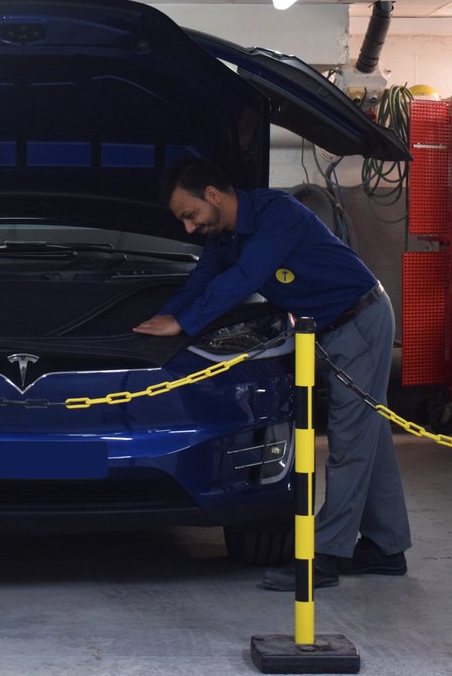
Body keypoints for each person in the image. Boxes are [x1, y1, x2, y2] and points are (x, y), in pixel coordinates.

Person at [133, 156, 410, 590]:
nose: (189, 228)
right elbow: (202, 279)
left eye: (191, 216)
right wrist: (162, 320)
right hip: (329, 327)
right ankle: (386, 547)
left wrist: (185, 325)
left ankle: (326, 555)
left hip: (359, 320)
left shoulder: (277, 215)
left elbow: (244, 279)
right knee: (367, 434)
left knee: (349, 440)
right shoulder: (224, 235)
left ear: (212, 195)